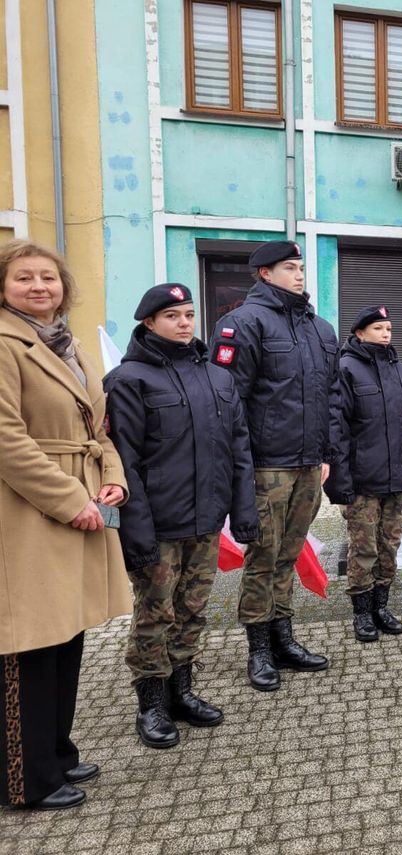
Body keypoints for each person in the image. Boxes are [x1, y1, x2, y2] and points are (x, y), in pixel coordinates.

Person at [0, 240, 131, 810]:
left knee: (67, 636)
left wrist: (114, 480)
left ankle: (56, 751)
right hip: (29, 512)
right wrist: (68, 499)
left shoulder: (67, 344)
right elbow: (6, 439)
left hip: (81, 498)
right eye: (24, 277)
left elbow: (98, 429)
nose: (38, 287)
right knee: (29, 642)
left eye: (48, 277)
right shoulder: (5, 343)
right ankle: (23, 780)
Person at [104, 284, 259, 748]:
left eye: (190, 314)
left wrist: (243, 510)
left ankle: (182, 691)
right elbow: (124, 459)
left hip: (206, 520)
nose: (185, 323)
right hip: (159, 523)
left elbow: (238, 450)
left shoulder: (218, 377)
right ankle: (151, 703)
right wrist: (135, 531)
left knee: (192, 609)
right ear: (149, 323)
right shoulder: (128, 379)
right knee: (155, 613)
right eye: (172, 316)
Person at [209, 240, 339, 692]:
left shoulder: (319, 329)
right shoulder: (243, 324)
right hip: (266, 465)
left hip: (307, 465)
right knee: (263, 558)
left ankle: (283, 638)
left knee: (290, 553)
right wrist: (239, 468)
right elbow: (227, 402)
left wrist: (326, 453)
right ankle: (259, 650)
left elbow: (331, 398)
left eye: (301, 267)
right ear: (264, 274)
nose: (300, 274)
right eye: (289, 268)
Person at [325, 305, 402, 642]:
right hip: (363, 481)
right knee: (363, 548)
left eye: (389, 328)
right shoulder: (345, 369)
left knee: (390, 546)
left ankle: (382, 606)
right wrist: (340, 483)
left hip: (397, 478)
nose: (386, 334)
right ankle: (361, 613)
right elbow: (337, 430)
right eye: (379, 328)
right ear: (359, 333)